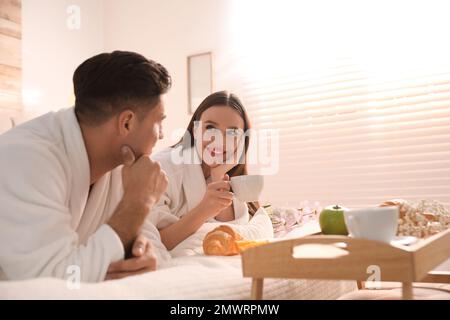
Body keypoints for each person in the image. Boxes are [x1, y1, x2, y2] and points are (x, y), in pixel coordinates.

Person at [0, 51, 171, 282]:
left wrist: (141, 254)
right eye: (159, 121)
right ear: (127, 122)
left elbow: (152, 247)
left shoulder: (124, 165)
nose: (162, 134)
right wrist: (139, 203)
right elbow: (52, 284)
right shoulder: (28, 158)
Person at [149, 91, 261, 250]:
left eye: (232, 133)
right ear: (195, 131)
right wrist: (204, 209)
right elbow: (153, 243)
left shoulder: (229, 174)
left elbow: (231, 234)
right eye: (210, 128)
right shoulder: (163, 168)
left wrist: (218, 176)